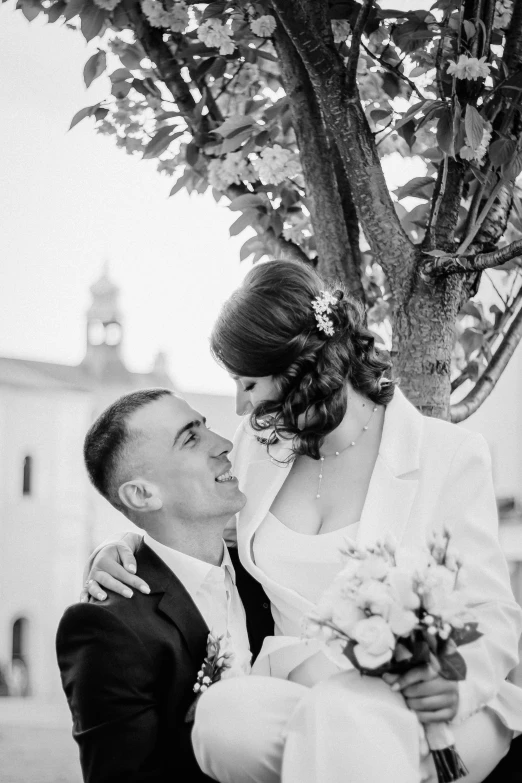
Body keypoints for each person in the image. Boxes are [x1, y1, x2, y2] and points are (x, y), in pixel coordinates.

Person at [84, 261, 522, 783]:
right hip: (299, 687)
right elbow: (188, 510)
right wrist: (129, 541)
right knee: (224, 720)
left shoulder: (449, 456)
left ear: (297, 369)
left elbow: (492, 610)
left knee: (341, 718)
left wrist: (458, 685)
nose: (241, 408)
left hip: (426, 702)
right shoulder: (260, 449)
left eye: (249, 383)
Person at [56, 388, 272, 783]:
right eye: (191, 438)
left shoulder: (266, 569)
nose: (224, 444)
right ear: (142, 494)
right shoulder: (108, 627)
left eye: (205, 426)